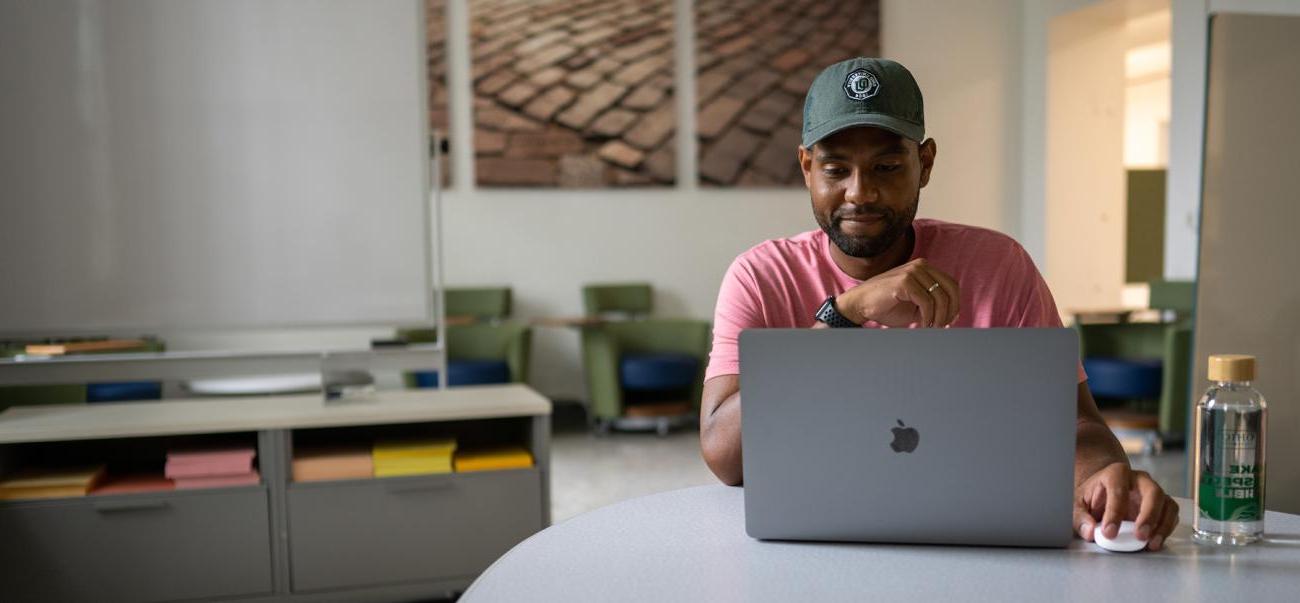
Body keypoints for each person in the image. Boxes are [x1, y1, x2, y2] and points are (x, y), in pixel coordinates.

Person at [699, 57, 1179, 551]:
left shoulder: (999, 265)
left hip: (979, 543)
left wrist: (1100, 475)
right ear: (806, 167)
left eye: (886, 167)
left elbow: (1075, 421)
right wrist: (846, 314)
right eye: (836, 169)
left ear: (925, 163)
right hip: (812, 550)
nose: (860, 192)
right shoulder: (758, 275)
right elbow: (725, 456)